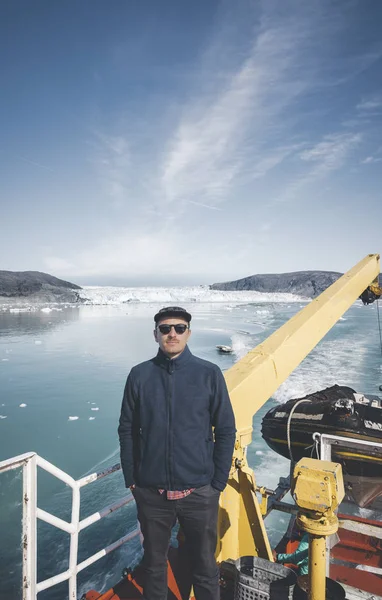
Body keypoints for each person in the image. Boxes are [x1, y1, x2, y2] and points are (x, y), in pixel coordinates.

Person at [118, 306, 236, 600]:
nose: (172, 333)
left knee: (206, 566)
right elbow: (127, 429)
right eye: (165, 328)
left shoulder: (209, 374)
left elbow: (225, 430)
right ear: (156, 334)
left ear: (188, 333)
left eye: (179, 328)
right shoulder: (140, 375)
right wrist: (132, 480)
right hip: (152, 493)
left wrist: (216, 484)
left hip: (199, 493)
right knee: (154, 566)